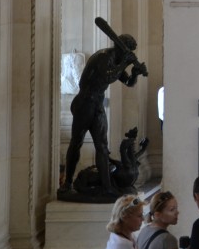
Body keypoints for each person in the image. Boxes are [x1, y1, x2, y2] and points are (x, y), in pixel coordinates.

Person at [62, 28, 147, 194]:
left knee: (102, 146)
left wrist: (135, 73)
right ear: (122, 48)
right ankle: (67, 183)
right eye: (129, 51)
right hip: (84, 103)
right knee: (76, 142)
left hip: (97, 105)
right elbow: (108, 77)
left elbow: (128, 82)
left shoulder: (116, 59)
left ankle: (107, 187)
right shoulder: (104, 56)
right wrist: (125, 62)